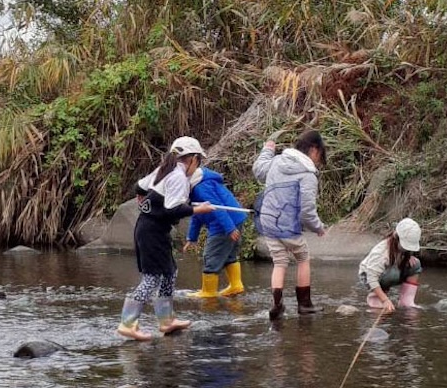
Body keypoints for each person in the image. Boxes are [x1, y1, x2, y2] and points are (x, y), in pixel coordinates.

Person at [116, 136, 214, 340]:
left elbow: (140, 187)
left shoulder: (164, 169)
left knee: (170, 272)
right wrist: (199, 209)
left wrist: (142, 198)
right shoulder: (177, 175)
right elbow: (173, 210)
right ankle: (127, 323)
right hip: (152, 231)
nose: (198, 166)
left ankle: (166, 321)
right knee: (152, 278)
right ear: (193, 159)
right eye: (199, 161)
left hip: (151, 229)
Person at [252, 129, 327, 319]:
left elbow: (259, 171)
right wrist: (318, 227)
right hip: (288, 226)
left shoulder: (277, 161)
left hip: (268, 223)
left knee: (279, 262)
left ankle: (276, 305)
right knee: (302, 257)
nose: (319, 160)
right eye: (320, 155)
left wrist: (268, 150)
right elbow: (307, 210)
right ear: (314, 150)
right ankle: (305, 305)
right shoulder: (308, 174)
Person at [184, 165, 248, 298]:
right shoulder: (197, 186)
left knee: (211, 255)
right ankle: (236, 285)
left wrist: (229, 228)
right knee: (229, 255)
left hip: (223, 223)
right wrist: (192, 237)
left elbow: (217, 207)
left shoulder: (200, 188)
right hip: (235, 219)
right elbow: (197, 214)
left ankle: (208, 292)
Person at [358, 218, 422, 314]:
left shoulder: (401, 248)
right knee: (394, 273)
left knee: (416, 264)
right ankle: (375, 297)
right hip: (368, 276)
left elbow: (403, 254)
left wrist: (407, 257)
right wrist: (385, 300)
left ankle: (406, 301)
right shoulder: (381, 253)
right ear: (397, 237)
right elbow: (371, 277)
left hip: (390, 270)